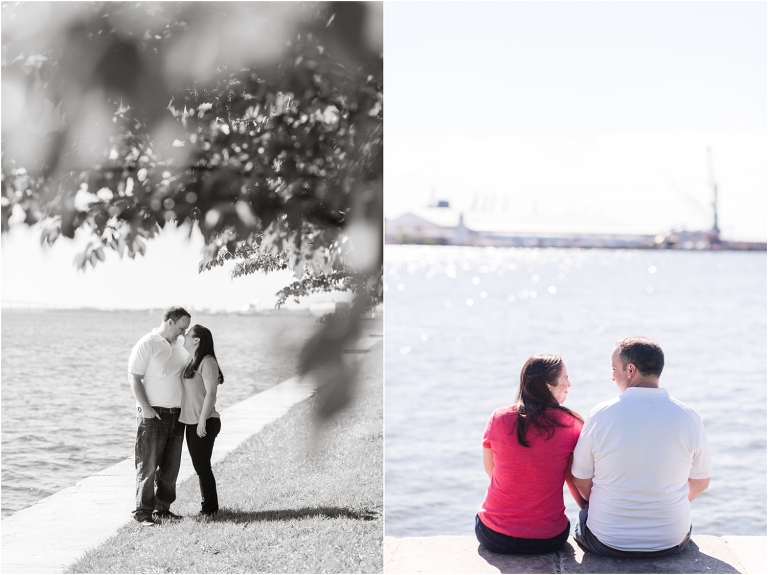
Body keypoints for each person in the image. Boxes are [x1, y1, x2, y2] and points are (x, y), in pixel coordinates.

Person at [571, 336, 712, 557]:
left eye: (614, 368)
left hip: (607, 541)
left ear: (630, 370)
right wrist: (665, 505)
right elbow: (701, 482)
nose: (612, 376)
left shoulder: (601, 414)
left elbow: (580, 479)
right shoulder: (689, 416)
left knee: (582, 519)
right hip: (671, 540)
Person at [476, 355, 587, 554]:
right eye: (565, 378)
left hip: (493, 536)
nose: (569, 384)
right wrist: (587, 510)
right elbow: (574, 478)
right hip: (548, 539)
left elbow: (491, 471)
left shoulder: (498, 418)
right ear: (547, 386)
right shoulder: (572, 424)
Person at [128, 306, 191, 526]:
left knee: (171, 466)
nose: (184, 333)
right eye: (182, 328)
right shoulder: (147, 344)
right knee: (148, 465)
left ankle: (162, 510)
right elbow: (134, 377)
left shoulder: (181, 346)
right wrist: (145, 408)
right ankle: (143, 513)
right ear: (170, 322)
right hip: (153, 415)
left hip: (177, 415)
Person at [179, 324, 224, 517]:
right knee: (200, 467)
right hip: (192, 422)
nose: (184, 336)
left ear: (196, 340)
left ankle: (210, 509)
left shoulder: (207, 361)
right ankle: (209, 507)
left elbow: (211, 394)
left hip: (204, 422)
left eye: (188, 334)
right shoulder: (192, 360)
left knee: (202, 467)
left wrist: (202, 421)